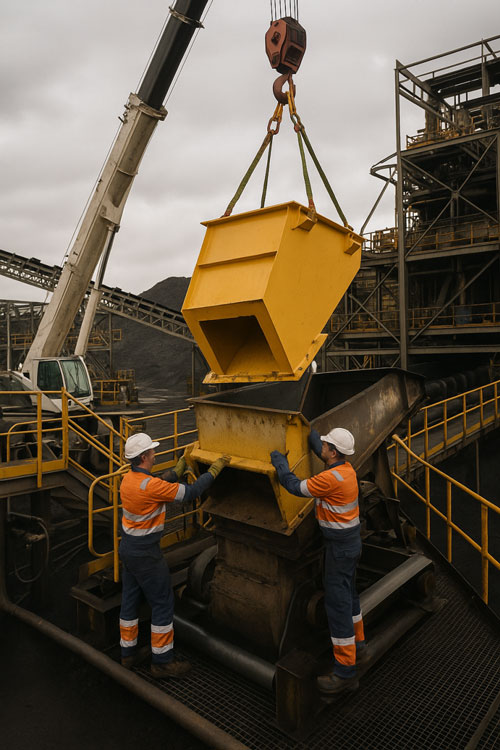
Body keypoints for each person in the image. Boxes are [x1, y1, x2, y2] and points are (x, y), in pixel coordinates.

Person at [119, 432, 229, 679]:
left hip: (128, 550)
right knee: (162, 602)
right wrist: (214, 471)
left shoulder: (128, 480)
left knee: (129, 600)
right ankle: (162, 661)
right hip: (147, 554)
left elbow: (159, 481)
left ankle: (128, 654)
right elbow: (189, 493)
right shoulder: (152, 487)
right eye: (153, 452)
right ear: (145, 456)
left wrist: (179, 466)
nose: (155, 454)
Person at [270, 426, 366, 695]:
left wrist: (280, 465)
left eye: (325, 445)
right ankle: (359, 645)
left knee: (337, 605)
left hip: (338, 550)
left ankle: (346, 672)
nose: (321, 447)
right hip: (351, 545)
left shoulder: (330, 480)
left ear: (333, 452)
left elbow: (294, 486)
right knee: (350, 595)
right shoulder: (346, 470)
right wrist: (308, 429)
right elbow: (320, 449)